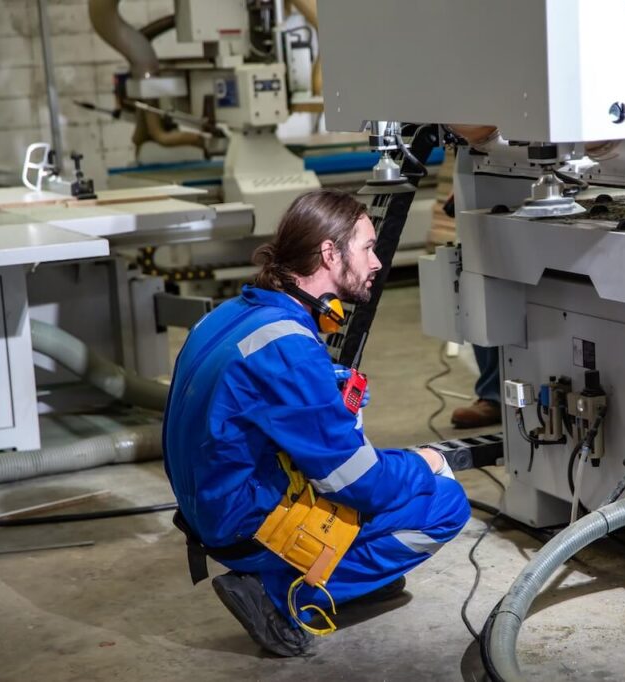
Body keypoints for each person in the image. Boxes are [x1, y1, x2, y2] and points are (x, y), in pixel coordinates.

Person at [163, 189, 470, 657]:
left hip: (208, 507)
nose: (377, 263)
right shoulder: (288, 347)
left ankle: (346, 577)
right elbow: (357, 483)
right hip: (246, 525)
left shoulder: (233, 313)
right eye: (368, 248)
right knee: (444, 504)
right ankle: (278, 595)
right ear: (329, 253)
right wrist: (422, 462)